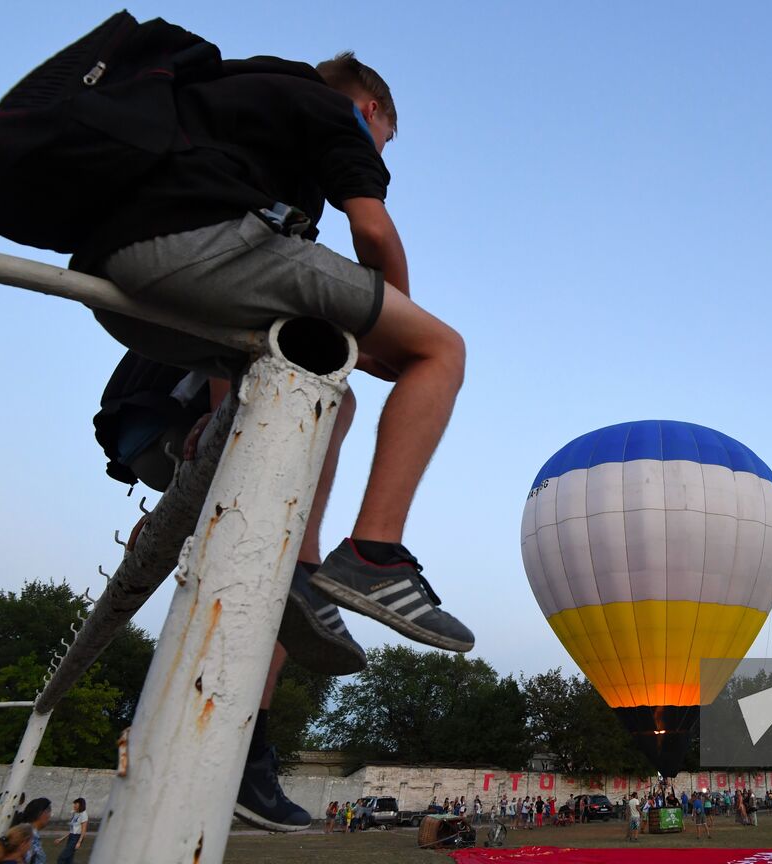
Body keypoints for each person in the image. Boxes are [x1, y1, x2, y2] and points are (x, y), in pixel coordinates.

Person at [72, 42, 474, 828]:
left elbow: (250, 327)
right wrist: (395, 319)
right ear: (370, 112)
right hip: (181, 302)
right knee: (437, 349)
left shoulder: (224, 113)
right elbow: (375, 230)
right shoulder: (332, 115)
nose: (378, 152)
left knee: (328, 402)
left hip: (122, 289)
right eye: (385, 141)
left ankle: (263, 692)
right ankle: (375, 553)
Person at [9, 798, 51, 864]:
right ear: (41, 813)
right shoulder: (28, 835)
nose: (50, 816)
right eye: (49, 811)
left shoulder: (29, 832)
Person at [51, 799, 86, 864]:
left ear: (81, 805)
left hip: (76, 838)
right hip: (71, 837)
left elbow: (83, 830)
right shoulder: (76, 814)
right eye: (74, 804)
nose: (74, 806)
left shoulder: (83, 815)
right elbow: (72, 831)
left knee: (61, 858)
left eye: (76, 804)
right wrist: (61, 839)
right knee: (69, 860)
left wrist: (79, 842)